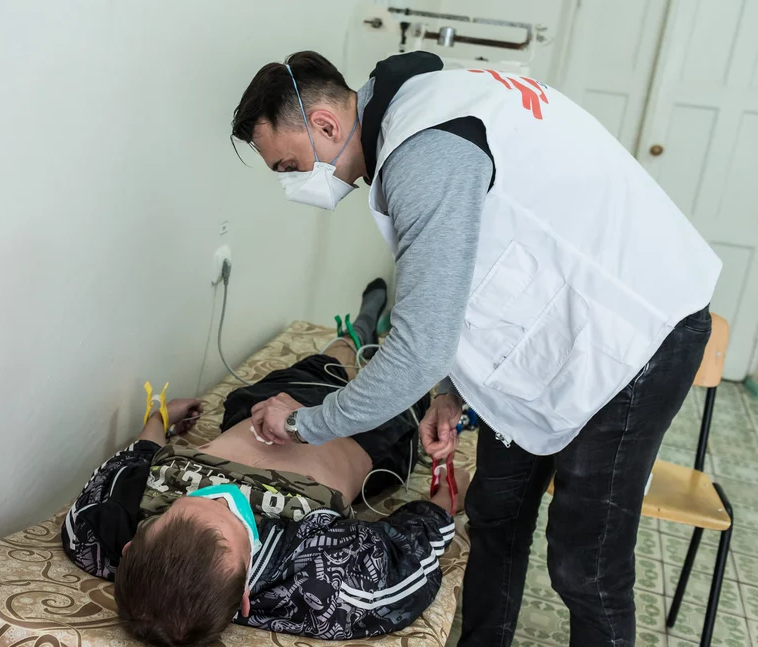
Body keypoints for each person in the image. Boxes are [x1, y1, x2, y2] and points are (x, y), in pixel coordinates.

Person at [233, 50, 720, 646]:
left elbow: (418, 347)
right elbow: (467, 277)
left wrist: (307, 423)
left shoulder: (424, 148)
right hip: (565, 326)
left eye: (288, 165)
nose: (292, 184)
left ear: (328, 126)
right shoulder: (424, 108)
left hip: (634, 334)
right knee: (495, 515)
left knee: (584, 565)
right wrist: (451, 394)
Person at [61, 280, 469, 647]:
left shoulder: (95, 533)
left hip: (267, 406)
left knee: (331, 358)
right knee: (405, 372)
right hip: (368, 433)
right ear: (244, 595)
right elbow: (409, 554)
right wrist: (448, 498)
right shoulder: (323, 579)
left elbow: (135, 461)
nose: (222, 497)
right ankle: (382, 335)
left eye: (195, 502)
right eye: (230, 520)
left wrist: (160, 419)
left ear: (130, 549)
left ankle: (358, 328)